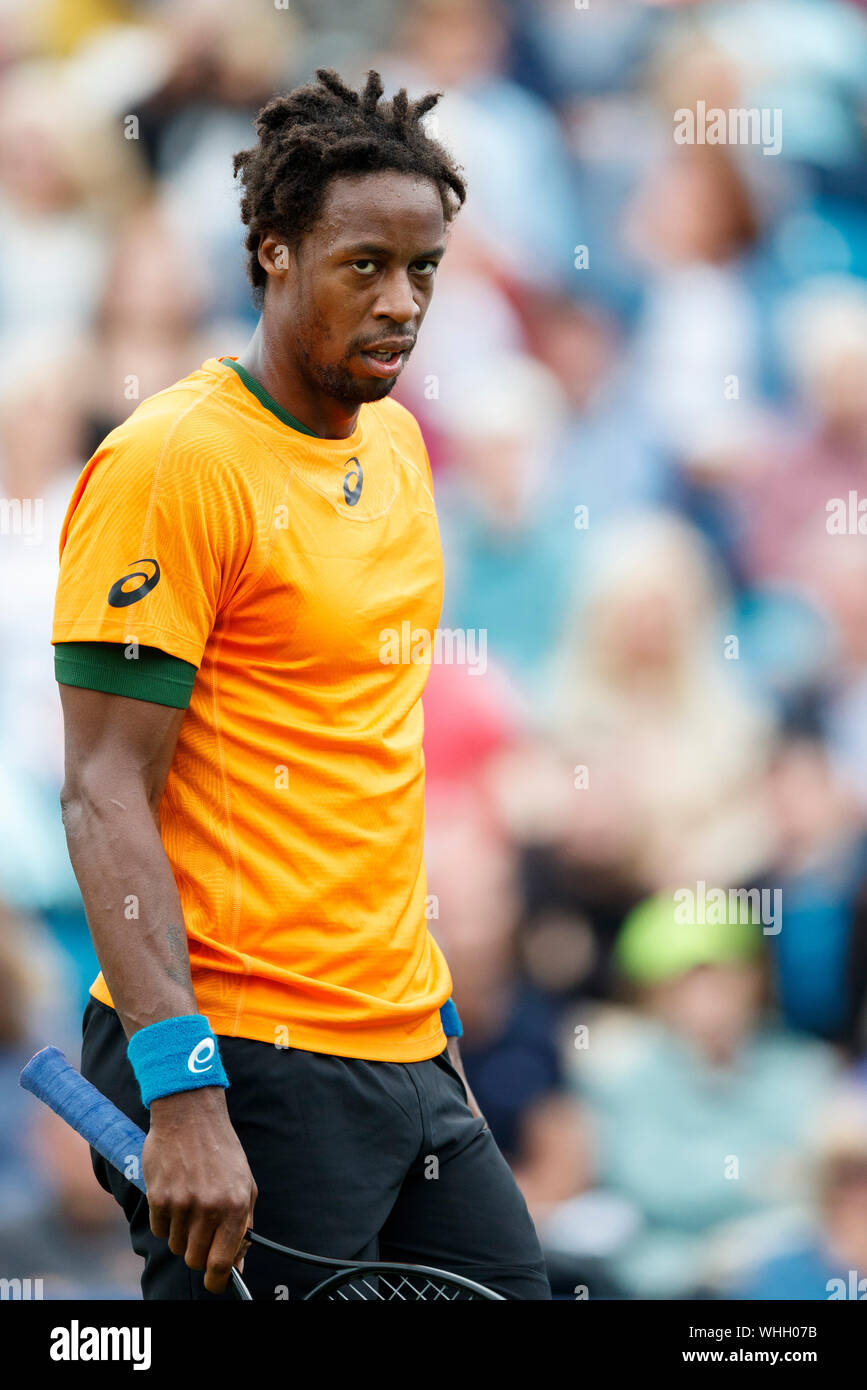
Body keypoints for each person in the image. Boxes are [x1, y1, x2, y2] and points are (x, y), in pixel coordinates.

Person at [51, 67, 550, 1301]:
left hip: (404, 1042)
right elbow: (103, 790)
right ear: (272, 254)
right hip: (241, 1056)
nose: (403, 301)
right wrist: (179, 1084)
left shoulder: (398, 442)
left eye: (424, 267)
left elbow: (362, 762)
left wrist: (432, 1046)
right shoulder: (173, 462)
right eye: (364, 265)